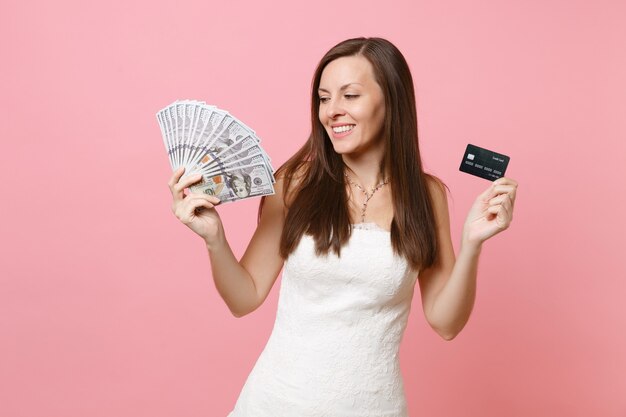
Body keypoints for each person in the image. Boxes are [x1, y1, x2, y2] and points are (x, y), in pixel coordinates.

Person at [167, 37, 518, 417]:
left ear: (391, 101)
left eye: (350, 95)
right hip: (276, 403)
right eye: (323, 97)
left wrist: (473, 243)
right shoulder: (294, 182)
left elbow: (446, 322)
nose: (332, 111)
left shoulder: (425, 195)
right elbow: (244, 297)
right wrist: (215, 240)